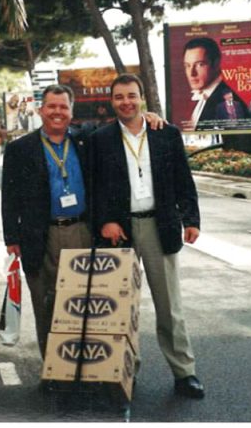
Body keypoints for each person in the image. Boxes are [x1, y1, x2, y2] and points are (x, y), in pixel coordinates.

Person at [1, 84, 164, 360]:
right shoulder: (20, 149)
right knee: (46, 306)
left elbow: (122, 125)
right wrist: (11, 239)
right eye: (52, 106)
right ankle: (53, 368)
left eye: (63, 107)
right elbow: (9, 196)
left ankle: (86, 368)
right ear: (41, 110)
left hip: (83, 231)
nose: (57, 112)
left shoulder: (86, 139)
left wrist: (148, 116)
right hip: (40, 235)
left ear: (71, 111)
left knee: (85, 304)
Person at [90, 74, 205, 400]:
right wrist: (105, 222)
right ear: (111, 102)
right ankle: (126, 372)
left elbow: (184, 178)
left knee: (170, 306)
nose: (125, 102)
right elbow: (95, 187)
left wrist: (191, 219)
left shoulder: (165, 133)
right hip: (120, 231)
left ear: (142, 98)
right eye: (118, 97)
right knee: (122, 308)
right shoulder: (100, 139)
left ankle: (185, 373)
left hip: (160, 226)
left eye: (131, 95)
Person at [182, 37, 248, 130]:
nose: (192, 73)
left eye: (200, 64)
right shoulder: (203, 96)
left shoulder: (228, 103)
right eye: (187, 65)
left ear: (216, 64)